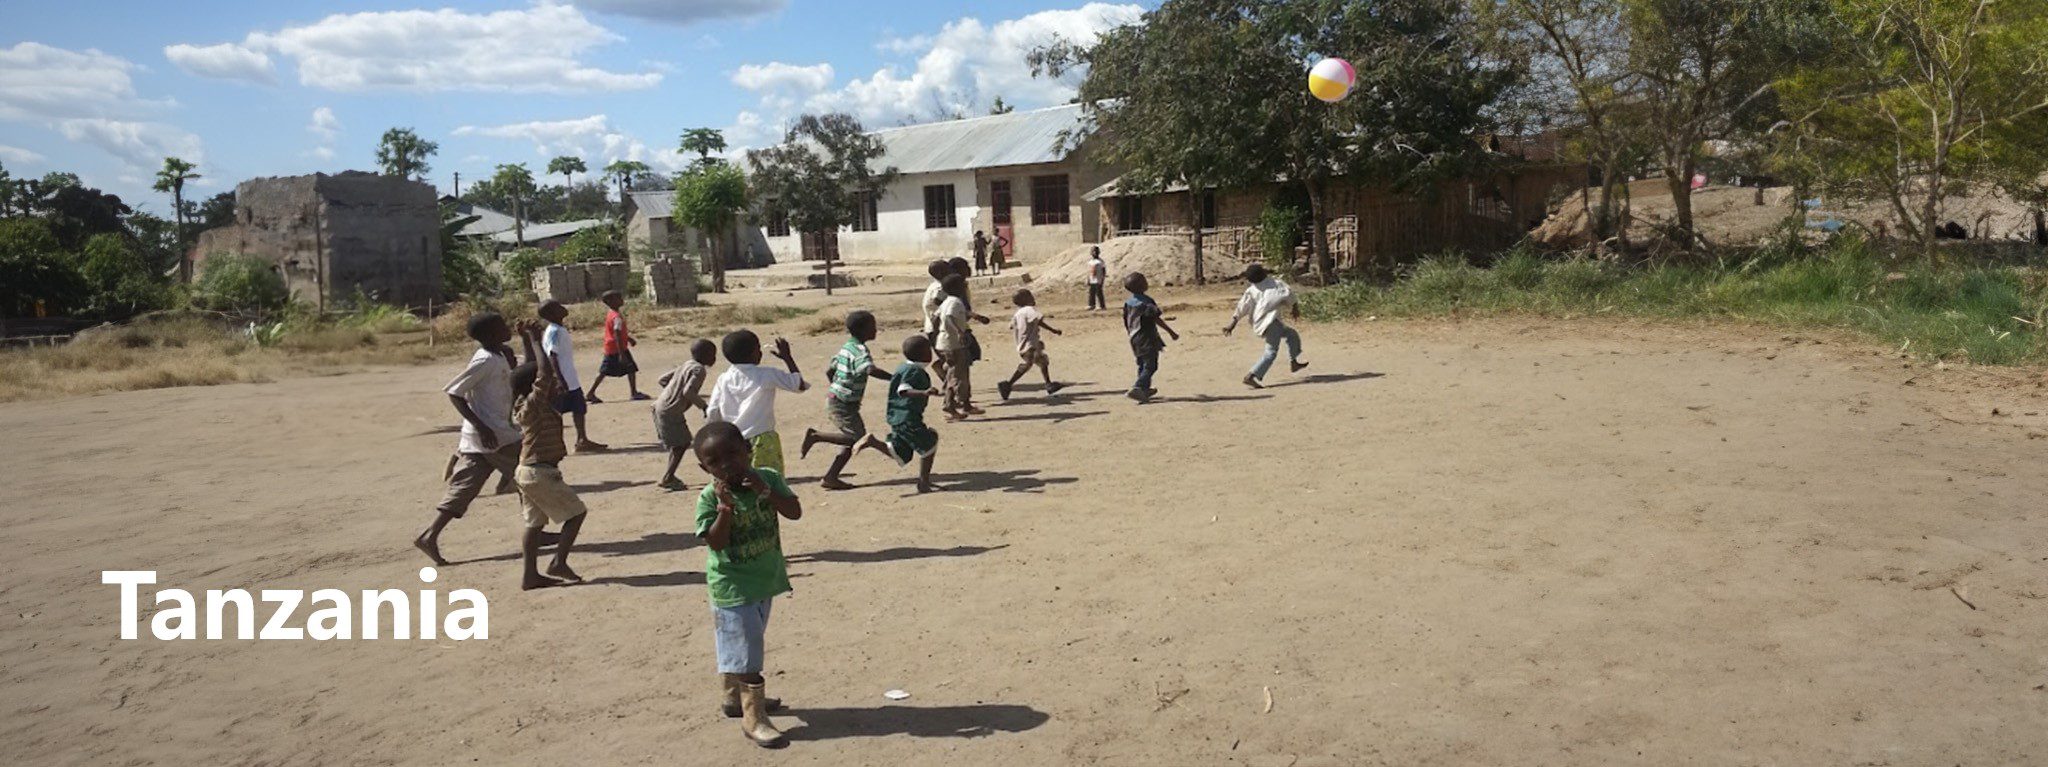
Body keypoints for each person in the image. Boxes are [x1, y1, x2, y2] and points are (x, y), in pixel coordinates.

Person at [693, 421, 802, 749]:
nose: (727, 464)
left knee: (744, 644)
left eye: (733, 454)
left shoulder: (767, 477)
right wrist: (724, 508)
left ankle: (733, 698)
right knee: (749, 652)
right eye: (715, 461)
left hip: (765, 579)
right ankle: (753, 718)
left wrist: (764, 490)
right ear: (704, 467)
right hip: (732, 586)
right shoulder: (709, 497)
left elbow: (794, 511)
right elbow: (716, 542)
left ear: (748, 451)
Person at [415, 312, 524, 566]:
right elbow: (455, 392)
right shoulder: (485, 360)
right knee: (529, 476)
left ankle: (429, 535)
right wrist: (481, 426)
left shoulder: (499, 355)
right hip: (494, 435)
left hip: (485, 436)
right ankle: (535, 531)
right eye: (502, 326)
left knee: (464, 489)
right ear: (490, 335)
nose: (507, 327)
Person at [510, 319, 590, 590]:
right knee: (576, 515)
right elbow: (541, 373)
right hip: (539, 472)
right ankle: (558, 561)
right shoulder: (534, 403)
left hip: (528, 471)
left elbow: (532, 369)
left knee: (534, 525)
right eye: (551, 383)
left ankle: (530, 575)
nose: (556, 384)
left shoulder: (524, 403)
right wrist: (535, 337)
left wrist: (527, 341)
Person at [800, 311, 895, 490]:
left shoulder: (847, 347)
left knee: (851, 439)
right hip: (841, 404)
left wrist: (837, 388)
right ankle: (815, 436)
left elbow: (830, 370)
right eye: (872, 327)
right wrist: (894, 378)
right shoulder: (859, 350)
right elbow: (869, 370)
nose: (876, 329)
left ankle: (831, 477)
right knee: (855, 438)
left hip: (839, 400)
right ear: (862, 330)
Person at [705, 329, 808, 475]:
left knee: (740, 481)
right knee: (769, 481)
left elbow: (713, 411)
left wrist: (716, 435)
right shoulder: (766, 374)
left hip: (733, 441)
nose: (760, 352)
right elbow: (798, 385)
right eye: (758, 349)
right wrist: (787, 358)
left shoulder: (724, 378)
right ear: (754, 353)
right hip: (763, 440)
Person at [1223, 264, 1309, 389]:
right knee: (1271, 353)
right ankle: (1251, 375)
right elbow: (1289, 293)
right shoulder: (1274, 283)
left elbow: (1242, 307)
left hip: (1265, 322)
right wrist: (1295, 308)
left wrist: (1232, 324)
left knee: (1291, 334)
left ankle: (1294, 362)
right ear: (1262, 274)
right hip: (1270, 323)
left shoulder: (1252, 290)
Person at [538, 300, 606, 453]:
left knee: (579, 408)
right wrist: (559, 379)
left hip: (570, 378)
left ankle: (582, 440)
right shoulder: (554, 331)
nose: (563, 308)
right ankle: (557, 444)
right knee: (557, 413)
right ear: (550, 314)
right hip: (563, 379)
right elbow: (552, 356)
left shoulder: (559, 329)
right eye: (558, 307)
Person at [654, 339, 717, 491]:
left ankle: (669, 476)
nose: (715, 359)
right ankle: (668, 477)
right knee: (681, 444)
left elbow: (662, 380)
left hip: (660, 407)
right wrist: (703, 406)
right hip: (670, 411)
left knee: (678, 444)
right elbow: (688, 392)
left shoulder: (686, 364)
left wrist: (671, 392)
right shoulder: (699, 370)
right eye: (713, 355)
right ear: (706, 355)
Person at [884, 334, 943, 493]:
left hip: (897, 417)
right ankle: (923, 482)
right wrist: (924, 393)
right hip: (908, 418)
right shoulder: (914, 371)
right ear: (924, 354)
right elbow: (903, 391)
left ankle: (872, 442)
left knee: (900, 452)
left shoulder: (903, 367)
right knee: (930, 443)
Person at [997, 288, 1067, 401]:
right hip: (1029, 344)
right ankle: (1007, 385)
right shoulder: (1029, 310)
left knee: (1042, 361)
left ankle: (1048, 384)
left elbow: (1011, 326)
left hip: (1023, 343)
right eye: (1030, 296)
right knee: (1028, 364)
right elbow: (1038, 320)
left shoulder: (1017, 313)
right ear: (1025, 299)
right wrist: (1053, 330)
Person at [1121, 272, 1180, 402]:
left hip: (1134, 337)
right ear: (1142, 285)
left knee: (1142, 364)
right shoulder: (1147, 302)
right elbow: (1156, 319)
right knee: (1151, 365)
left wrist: (1130, 333)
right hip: (1147, 337)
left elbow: (1125, 320)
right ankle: (1138, 386)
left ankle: (1144, 390)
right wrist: (1171, 332)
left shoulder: (1128, 303)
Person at [585, 290, 647, 404]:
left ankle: (634, 392)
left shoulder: (612, 313)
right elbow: (617, 334)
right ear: (610, 301)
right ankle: (591, 393)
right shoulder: (616, 317)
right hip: (616, 349)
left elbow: (619, 333)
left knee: (630, 369)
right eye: (618, 298)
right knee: (604, 371)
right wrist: (621, 354)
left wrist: (628, 338)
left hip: (615, 347)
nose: (621, 300)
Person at [934, 274, 982, 420]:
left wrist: (975, 316)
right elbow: (948, 317)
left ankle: (961, 404)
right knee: (956, 375)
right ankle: (949, 404)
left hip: (946, 342)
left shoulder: (948, 301)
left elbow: (937, 317)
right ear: (957, 287)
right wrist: (959, 332)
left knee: (954, 373)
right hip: (953, 343)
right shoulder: (955, 302)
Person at [1085, 246, 1108, 311]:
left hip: (1098, 279)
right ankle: (1091, 304)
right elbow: (1089, 271)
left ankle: (1101, 305)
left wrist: (1103, 278)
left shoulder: (1100, 261)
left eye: (1095, 251)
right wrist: (1088, 279)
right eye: (1093, 251)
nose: (1094, 253)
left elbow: (1103, 270)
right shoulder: (1090, 262)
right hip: (1092, 279)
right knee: (1091, 292)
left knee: (1099, 292)